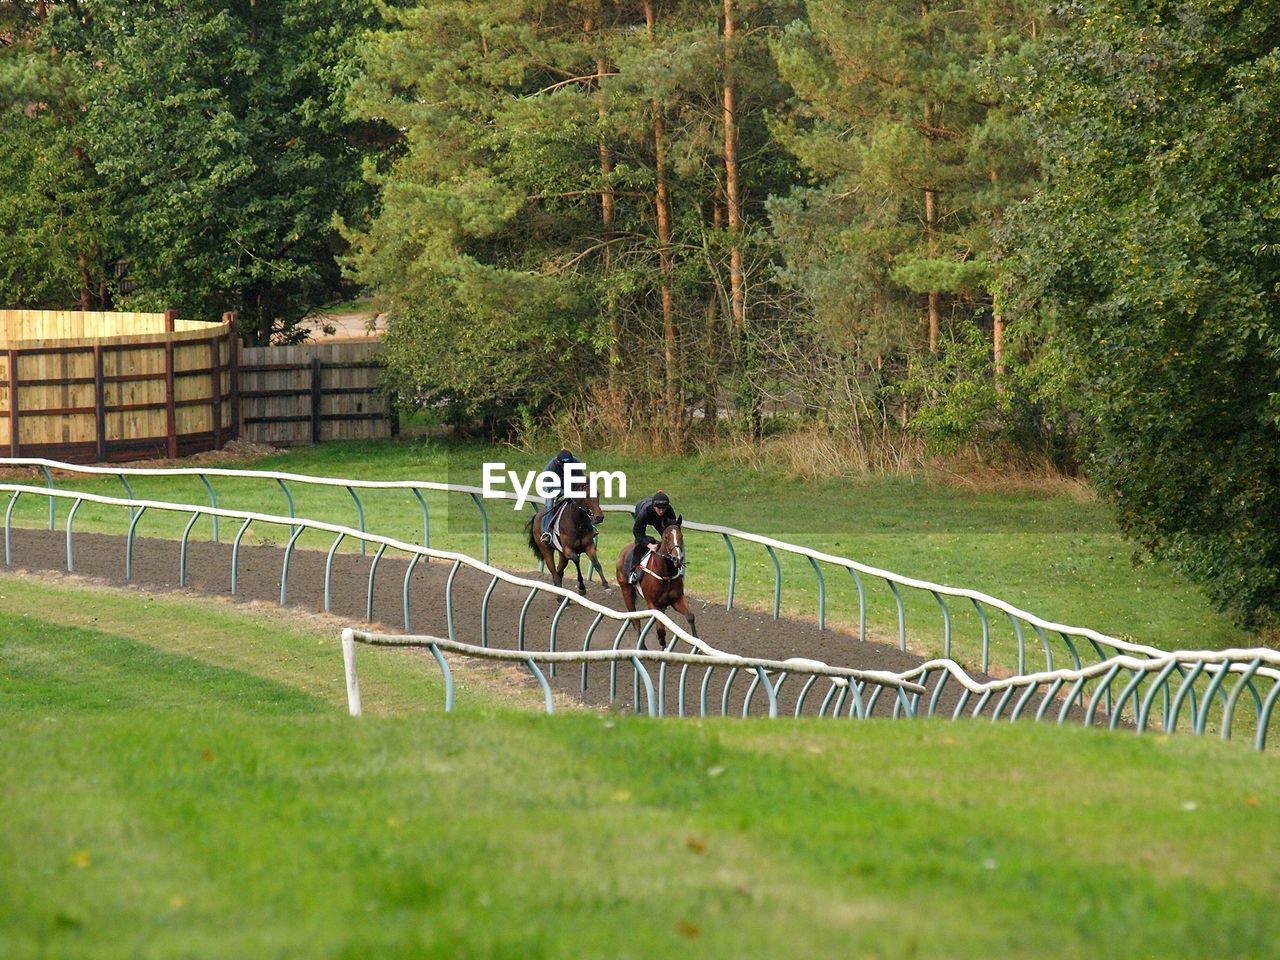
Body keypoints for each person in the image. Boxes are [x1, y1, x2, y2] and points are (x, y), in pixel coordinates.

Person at [628, 490, 676, 583]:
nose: (661, 511)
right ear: (654, 507)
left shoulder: (669, 510)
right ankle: (632, 572)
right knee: (640, 544)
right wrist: (649, 545)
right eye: (659, 508)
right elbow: (637, 531)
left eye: (663, 509)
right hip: (643, 511)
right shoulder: (645, 512)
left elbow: (672, 528)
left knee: (669, 541)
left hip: (660, 521)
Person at [541, 449, 582, 544]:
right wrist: (564, 493)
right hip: (550, 484)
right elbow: (550, 486)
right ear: (559, 463)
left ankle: (590, 527)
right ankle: (546, 532)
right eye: (564, 466)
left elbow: (580, 480)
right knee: (549, 504)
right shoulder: (552, 466)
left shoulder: (576, 463)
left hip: (568, 483)